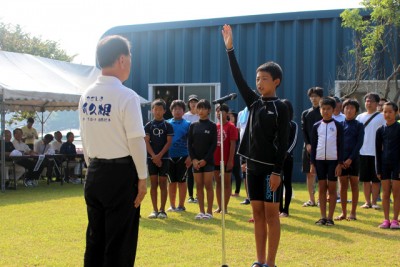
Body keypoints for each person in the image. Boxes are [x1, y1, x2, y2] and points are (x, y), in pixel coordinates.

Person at [222, 24, 289, 267]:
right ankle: (259, 261)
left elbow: (283, 142)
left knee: (272, 215)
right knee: (257, 214)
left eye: (265, 79)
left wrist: (277, 171)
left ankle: (271, 263)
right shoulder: (253, 103)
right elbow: (238, 79)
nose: (259, 83)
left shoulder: (281, 107)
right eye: (257, 79)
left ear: (276, 81)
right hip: (252, 168)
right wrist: (230, 49)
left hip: (270, 171)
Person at [79, 35, 147, 267]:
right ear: (121, 59)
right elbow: (137, 140)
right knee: (119, 244)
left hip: (95, 172)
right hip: (120, 175)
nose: (130, 61)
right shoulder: (126, 96)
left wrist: (93, 166)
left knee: (95, 240)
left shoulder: (86, 95)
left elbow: (85, 139)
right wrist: (142, 178)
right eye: (129, 57)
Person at [310, 97, 344, 226]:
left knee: (332, 189)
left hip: (333, 161)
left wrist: (340, 163)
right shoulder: (316, 126)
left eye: (328, 109)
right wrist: (312, 164)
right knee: (322, 188)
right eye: (323, 109)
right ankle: (323, 217)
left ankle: (330, 218)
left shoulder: (338, 126)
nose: (326, 111)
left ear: (333, 109)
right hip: (319, 161)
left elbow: (341, 145)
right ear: (320, 110)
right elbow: (313, 146)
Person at [334, 99, 364, 221]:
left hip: (354, 159)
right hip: (341, 160)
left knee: (354, 185)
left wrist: (351, 158)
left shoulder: (359, 125)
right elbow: (337, 143)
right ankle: (343, 213)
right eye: (347, 107)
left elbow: (359, 143)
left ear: (356, 111)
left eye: (352, 108)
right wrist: (341, 161)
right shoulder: (339, 125)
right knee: (343, 186)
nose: (349, 110)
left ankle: (353, 213)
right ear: (343, 109)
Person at [188, 99, 217, 220]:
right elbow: (190, 144)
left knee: (208, 185)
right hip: (196, 162)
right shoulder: (193, 126)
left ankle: (209, 212)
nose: (200, 111)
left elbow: (213, 145)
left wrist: (205, 159)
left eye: (203, 108)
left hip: (208, 161)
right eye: (198, 108)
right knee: (198, 186)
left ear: (209, 110)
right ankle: (201, 211)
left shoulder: (212, 126)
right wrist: (194, 159)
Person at [144, 98, 174, 219]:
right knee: (153, 183)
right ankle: (154, 210)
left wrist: (159, 156)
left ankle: (162, 210)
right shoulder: (148, 126)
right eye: (155, 109)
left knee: (163, 183)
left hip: (165, 158)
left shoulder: (168, 126)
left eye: (160, 109)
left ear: (164, 111)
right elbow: (146, 142)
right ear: (152, 111)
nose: (157, 112)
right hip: (151, 158)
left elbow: (168, 142)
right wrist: (154, 156)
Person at [356, 93, 385, 209]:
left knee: (376, 179)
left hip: (377, 153)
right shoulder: (360, 117)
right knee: (365, 179)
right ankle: (367, 202)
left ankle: (374, 202)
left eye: (371, 101)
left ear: (377, 103)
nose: (368, 103)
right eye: (367, 101)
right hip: (363, 152)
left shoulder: (382, 117)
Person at [375, 101, 400, 229]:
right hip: (384, 165)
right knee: (385, 193)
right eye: (385, 112)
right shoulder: (380, 130)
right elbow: (377, 151)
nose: (387, 114)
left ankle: (395, 220)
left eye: (390, 112)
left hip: (398, 165)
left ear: (396, 113)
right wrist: (378, 169)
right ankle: (386, 220)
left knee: (396, 193)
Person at [166, 99, 191, 212]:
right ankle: (172, 205)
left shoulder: (188, 124)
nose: (177, 111)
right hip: (169, 157)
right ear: (171, 111)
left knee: (181, 182)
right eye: (175, 109)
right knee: (171, 182)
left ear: (183, 111)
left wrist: (190, 157)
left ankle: (181, 205)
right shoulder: (166, 123)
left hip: (183, 157)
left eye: (180, 109)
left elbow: (192, 142)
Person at [213, 103, 238, 214]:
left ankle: (225, 207)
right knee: (218, 183)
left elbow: (233, 145)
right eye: (217, 111)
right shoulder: (215, 126)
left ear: (227, 113)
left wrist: (230, 160)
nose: (219, 113)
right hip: (215, 159)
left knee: (226, 183)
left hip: (226, 160)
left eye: (221, 111)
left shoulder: (231, 127)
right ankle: (219, 206)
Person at [301, 87, 323, 207]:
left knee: (320, 174)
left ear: (321, 97)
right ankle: (311, 199)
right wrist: (308, 143)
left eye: (316, 96)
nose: (314, 98)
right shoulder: (306, 113)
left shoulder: (324, 112)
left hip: (321, 147)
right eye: (312, 96)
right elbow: (303, 130)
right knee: (309, 173)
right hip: (308, 148)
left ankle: (320, 199)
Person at [279, 99, 298, 218]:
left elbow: (294, 141)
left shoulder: (293, 125)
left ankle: (286, 210)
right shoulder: (276, 123)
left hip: (288, 158)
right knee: (278, 183)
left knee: (287, 183)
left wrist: (286, 153)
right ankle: (279, 208)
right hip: (276, 159)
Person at [183, 94, 200, 203]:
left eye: (195, 101)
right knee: (189, 172)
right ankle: (190, 196)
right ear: (189, 104)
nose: (193, 103)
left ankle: (199, 195)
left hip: (199, 146)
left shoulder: (200, 115)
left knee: (199, 172)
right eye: (191, 102)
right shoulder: (185, 116)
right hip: (188, 146)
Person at [237, 107, 251, 205]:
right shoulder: (241, 113)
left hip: (254, 147)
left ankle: (254, 196)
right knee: (244, 172)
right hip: (243, 147)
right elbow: (239, 129)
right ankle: (248, 197)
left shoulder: (258, 109)